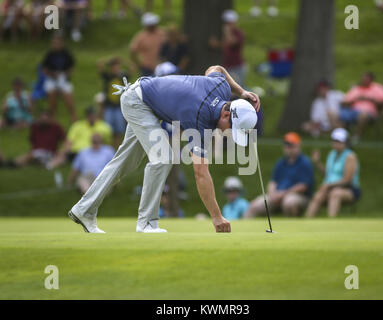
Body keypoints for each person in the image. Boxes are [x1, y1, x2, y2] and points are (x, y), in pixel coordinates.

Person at [68, 65, 260, 233]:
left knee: (124, 163)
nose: (228, 133)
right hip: (138, 101)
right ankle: (147, 223)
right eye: (231, 128)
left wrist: (242, 92)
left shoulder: (222, 88)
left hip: (146, 101)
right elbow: (200, 173)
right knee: (164, 157)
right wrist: (217, 217)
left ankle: (84, 210)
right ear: (226, 114)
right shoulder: (198, 115)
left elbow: (217, 69)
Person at [244, 132, 314, 218]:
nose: (288, 148)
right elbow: (273, 182)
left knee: (289, 202)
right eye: (286, 146)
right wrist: (272, 194)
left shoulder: (305, 163)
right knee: (254, 205)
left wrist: (283, 194)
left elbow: (303, 186)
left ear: (298, 146)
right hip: (276, 195)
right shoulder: (280, 163)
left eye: (291, 146)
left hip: (298, 196)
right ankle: (245, 229)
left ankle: (293, 228)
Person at [305, 128, 361, 218]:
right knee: (318, 196)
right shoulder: (332, 154)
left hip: (350, 189)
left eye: (339, 141)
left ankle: (331, 221)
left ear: (346, 142)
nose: (336, 143)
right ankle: (307, 221)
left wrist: (329, 185)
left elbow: (347, 180)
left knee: (335, 194)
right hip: (331, 187)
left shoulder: (350, 156)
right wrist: (317, 162)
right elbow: (328, 174)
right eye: (334, 141)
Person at [48, 106, 112, 169]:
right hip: (76, 152)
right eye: (89, 115)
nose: (91, 117)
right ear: (86, 116)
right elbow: (69, 141)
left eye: (93, 115)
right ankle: (50, 165)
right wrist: (64, 151)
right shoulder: (78, 125)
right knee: (63, 154)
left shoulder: (104, 127)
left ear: (96, 115)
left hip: (93, 152)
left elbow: (107, 143)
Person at [339, 72, 383, 142]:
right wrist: (355, 99)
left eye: (366, 78)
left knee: (363, 115)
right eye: (363, 78)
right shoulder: (356, 89)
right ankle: (340, 138)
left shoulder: (377, 88)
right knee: (338, 114)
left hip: (369, 113)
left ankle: (356, 136)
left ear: (371, 80)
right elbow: (343, 102)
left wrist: (372, 100)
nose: (364, 80)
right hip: (353, 111)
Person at [42, 35, 77, 122]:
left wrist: (65, 74)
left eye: (58, 43)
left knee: (69, 101)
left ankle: (74, 119)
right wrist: (52, 74)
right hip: (51, 79)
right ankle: (53, 118)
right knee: (52, 94)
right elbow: (44, 69)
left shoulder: (66, 54)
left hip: (63, 78)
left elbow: (72, 67)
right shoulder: (49, 54)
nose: (56, 45)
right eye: (54, 43)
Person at [97, 57, 130, 149]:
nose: (116, 69)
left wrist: (123, 61)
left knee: (119, 131)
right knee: (108, 130)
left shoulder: (123, 77)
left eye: (117, 67)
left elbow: (132, 68)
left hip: (119, 107)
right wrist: (107, 61)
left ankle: (117, 148)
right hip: (109, 107)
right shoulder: (108, 76)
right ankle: (110, 149)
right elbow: (99, 65)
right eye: (114, 67)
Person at [209, 10, 246, 87]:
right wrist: (216, 44)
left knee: (238, 87)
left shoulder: (238, 33)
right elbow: (225, 45)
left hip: (237, 66)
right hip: (227, 65)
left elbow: (231, 42)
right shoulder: (226, 34)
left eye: (229, 23)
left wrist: (227, 31)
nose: (227, 25)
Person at [129, 12, 166, 77]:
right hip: (147, 68)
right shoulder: (141, 37)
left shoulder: (162, 33)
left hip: (161, 66)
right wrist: (138, 64)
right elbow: (132, 51)